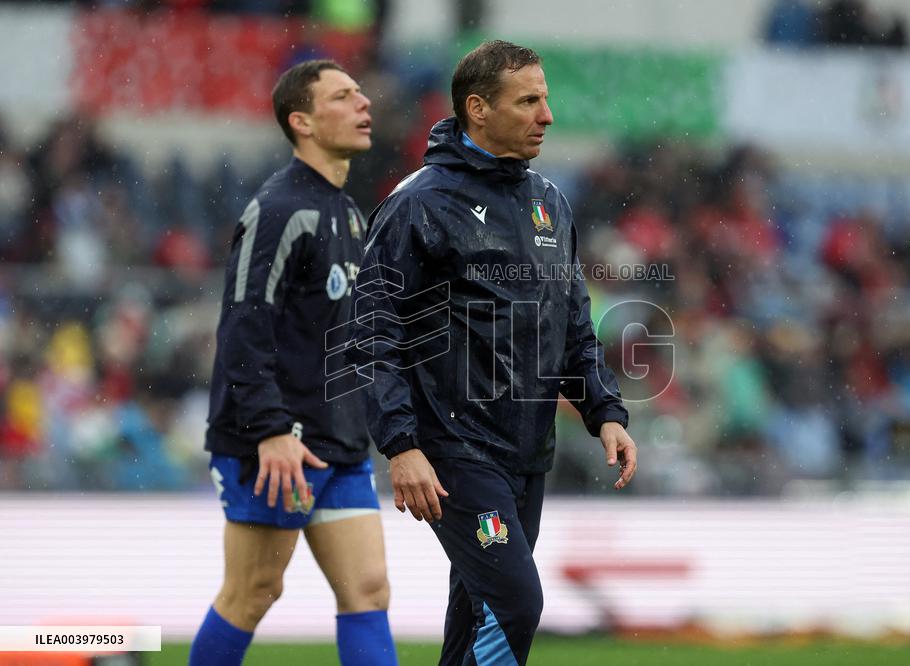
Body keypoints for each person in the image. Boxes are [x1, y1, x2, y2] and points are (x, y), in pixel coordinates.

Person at [351, 40, 638, 666]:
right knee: (514, 605)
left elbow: (569, 323)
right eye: (529, 101)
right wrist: (401, 445)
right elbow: (374, 332)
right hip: (453, 448)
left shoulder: (548, 203)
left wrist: (604, 410)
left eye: (546, 99)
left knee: (479, 612)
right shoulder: (419, 203)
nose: (547, 115)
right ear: (477, 109)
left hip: (527, 449)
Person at [189, 59, 397, 666]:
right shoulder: (280, 208)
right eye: (343, 96)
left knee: (368, 589)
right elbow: (243, 325)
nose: (364, 104)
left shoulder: (351, 213)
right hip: (276, 441)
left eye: (362, 92)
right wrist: (271, 430)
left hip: (339, 440)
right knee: (253, 591)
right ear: (301, 121)